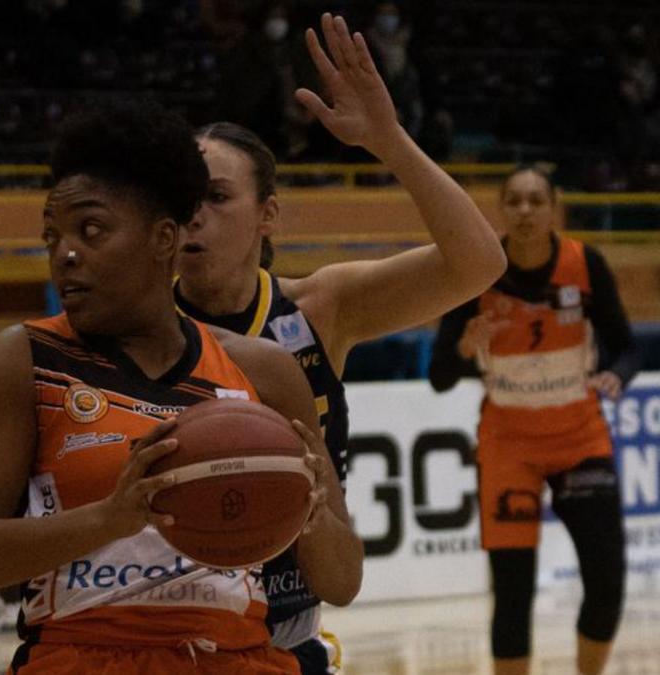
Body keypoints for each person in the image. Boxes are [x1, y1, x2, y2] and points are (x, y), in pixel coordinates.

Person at [0, 98, 362, 673]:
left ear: (163, 239)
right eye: (52, 237)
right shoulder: (26, 358)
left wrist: (305, 511)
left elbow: (343, 580)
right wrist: (109, 519)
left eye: (90, 230)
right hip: (80, 656)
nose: (66, 254)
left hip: (236, 658)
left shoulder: (263, 369)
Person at [173, 13, 507, 673]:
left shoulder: (319, 307)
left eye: (215, 196)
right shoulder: (137, 326)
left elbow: (479, 262)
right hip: (169, 635)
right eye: (182, 198)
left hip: (287, 634)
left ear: (268, 215)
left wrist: (389, 140)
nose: (195, 215)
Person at [429, 166, 636, 675]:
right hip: (508, 445)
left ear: (553, 207)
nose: (524, 211)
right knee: (513, 592)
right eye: (515, 201)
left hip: (579, 438)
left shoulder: (584, 263)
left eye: (535, 201)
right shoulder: (477, 270)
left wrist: (614, 374)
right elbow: (438, 375)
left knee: (607, 580)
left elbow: (626, 347)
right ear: (501, 209)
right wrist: (463, 346)